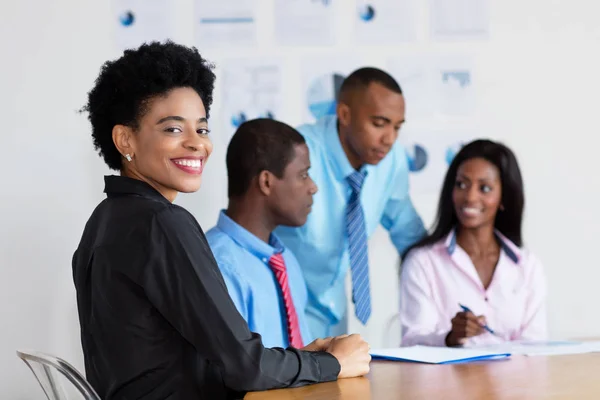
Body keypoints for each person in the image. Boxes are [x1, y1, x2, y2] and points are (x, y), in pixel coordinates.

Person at [72, 41, 370, 400]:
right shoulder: (163, 224)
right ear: (124, 139)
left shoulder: (104, 220)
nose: (197, 144)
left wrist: (306, 358)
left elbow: (204, 358)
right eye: (173, 129)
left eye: (202, 129)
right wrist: (334, 364)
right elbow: (245, 365)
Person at [275, 67, 426, 337]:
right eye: (379, 124)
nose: (389, 139)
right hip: (282, 311)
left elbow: (409, 232)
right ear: (344, 115)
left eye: (397, 127)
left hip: (334, 312)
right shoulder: (296, 151)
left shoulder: (391, 161)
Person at [399, 139, 547, 347]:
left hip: (516, 380)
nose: (469, 197)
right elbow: (412, 341)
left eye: (484, 188)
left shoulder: (527, 266)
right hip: (446, 380)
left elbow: (535, 346)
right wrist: (450, 337)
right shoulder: (423, 262)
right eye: (461, 184)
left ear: (504, 197)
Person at [207, 118, 316, 349]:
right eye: (303, 175)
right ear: (266, 182)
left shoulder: (285, 260)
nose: (313, 187)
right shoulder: (218, 267)